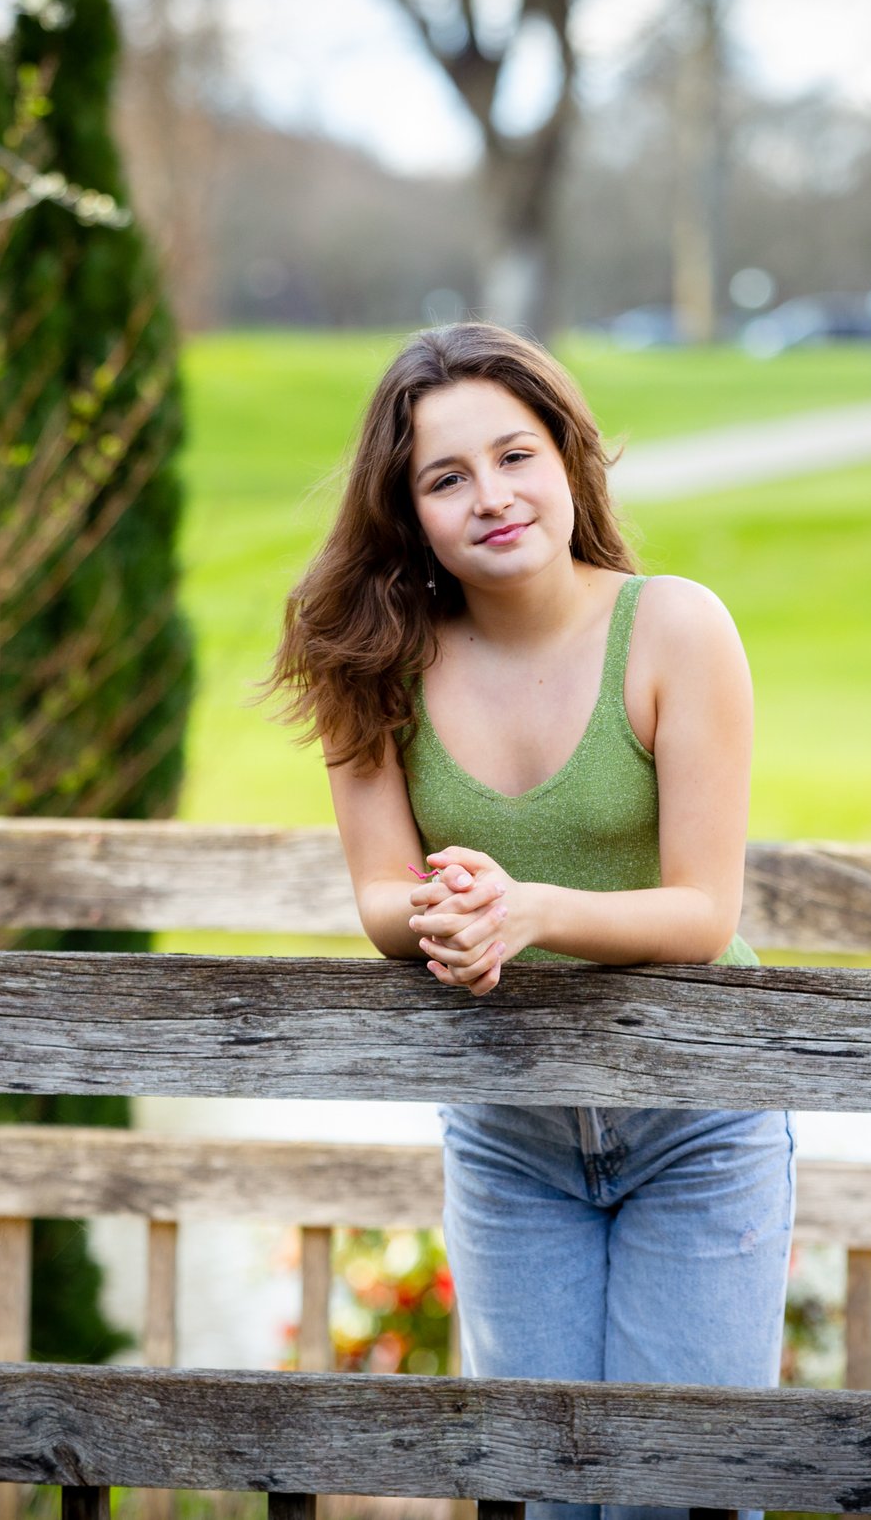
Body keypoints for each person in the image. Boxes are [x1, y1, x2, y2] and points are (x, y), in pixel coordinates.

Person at [264, 321, 795, 1520]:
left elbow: (704, 911)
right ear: (406, 512)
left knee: (678, 1496)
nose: (491, 496)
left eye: (514, 455)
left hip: (694, 1116)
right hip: (510, 1133)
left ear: (568, 459)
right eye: (446, 477)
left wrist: (527, 908)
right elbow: (377, 894)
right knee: (544, 1493)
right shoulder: (370, 662)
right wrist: (439, 914)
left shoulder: (675, 629)